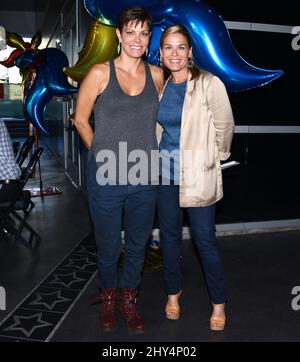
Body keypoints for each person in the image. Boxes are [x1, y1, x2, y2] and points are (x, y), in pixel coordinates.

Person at [74, 7, 163, 334]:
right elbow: (80, 119)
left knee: (138, 245)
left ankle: (129, 300)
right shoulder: (99, 73)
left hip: (145, 178)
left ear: (148, 37)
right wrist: (101, 151)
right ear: (119, 35)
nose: (137, 39)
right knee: (109, 247)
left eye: (144, 33)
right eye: (131, 32)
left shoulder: (156, 74)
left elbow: (162, 123)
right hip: (106, 177)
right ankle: (109, 299)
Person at [156, 25, 235, 331]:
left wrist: (213, 159)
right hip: (165, 176)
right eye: (168, 48)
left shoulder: (208, 83)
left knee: (205, 241)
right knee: (170, 239)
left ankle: (219, 302)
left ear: (190, 52)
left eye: (180, 47)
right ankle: (173, 295)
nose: (174, 54)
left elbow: (225, 125)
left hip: (198, 176)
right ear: (161, 53)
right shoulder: (160, 86)